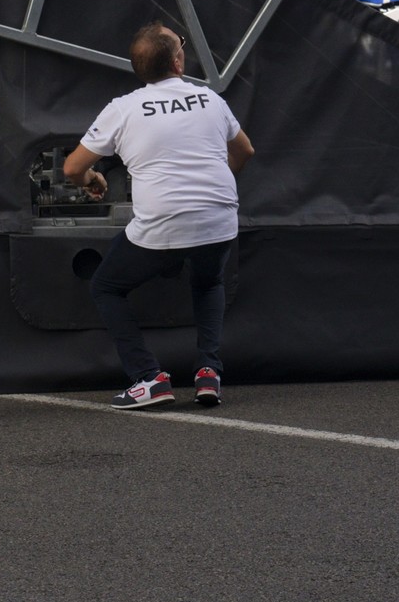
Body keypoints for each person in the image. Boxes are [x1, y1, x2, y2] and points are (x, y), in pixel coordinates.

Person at [60, 22, 255, 409]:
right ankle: (208, 373)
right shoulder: (209, 99)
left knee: (106, 286)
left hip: (163, 223)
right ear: (179, 61)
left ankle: (148, 378)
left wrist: (91, 178)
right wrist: (209, 183)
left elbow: (71, 168)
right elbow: (245, 151)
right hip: (219, 217)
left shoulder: (123, 108)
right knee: (207, 283)